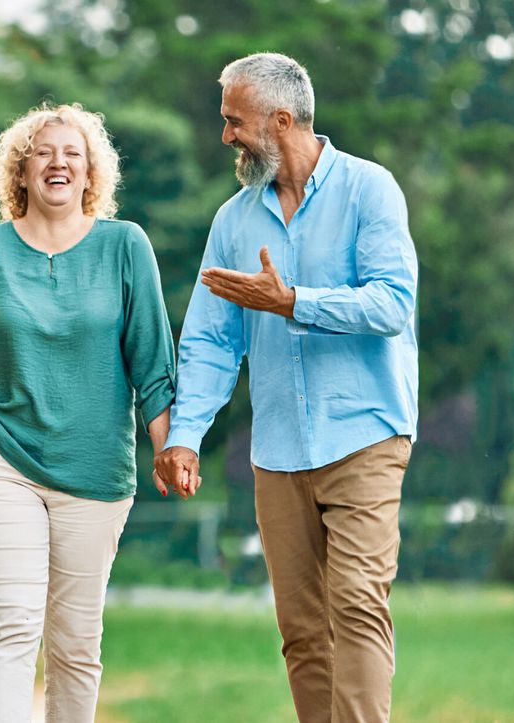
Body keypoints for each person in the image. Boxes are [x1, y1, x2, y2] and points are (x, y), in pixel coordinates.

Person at [154, 53, 418, 723]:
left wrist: (293, 301)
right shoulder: (234, 222)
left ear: (279, 120)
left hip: (365, 434)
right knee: (302, 630)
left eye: (233, 122)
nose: (226, 137)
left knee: (357, 600)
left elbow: (392, 304)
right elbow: (213, 340)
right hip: (278, 451)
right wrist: (185, 435)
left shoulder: (370, 189)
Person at [0, 102, 176, 723]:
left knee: (76, 645)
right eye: (44, 153)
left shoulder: (125, 246)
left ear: (91, 175)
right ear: (21, 173)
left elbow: (152, 361)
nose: (59, 163)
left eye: (73, 154)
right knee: (13, 624)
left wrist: (169, 447)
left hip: (96, 470)